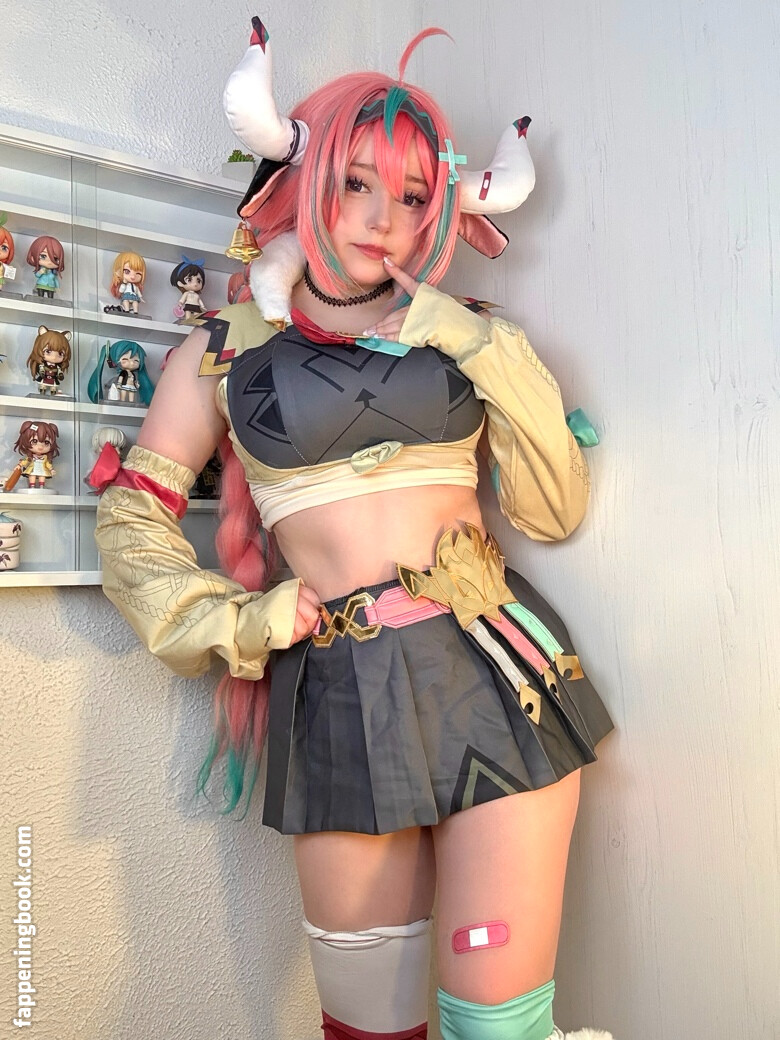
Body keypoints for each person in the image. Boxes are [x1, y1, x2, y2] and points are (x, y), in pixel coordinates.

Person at [92, 19, 614, 1040]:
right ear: (307, 178)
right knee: (369, 1032)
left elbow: (553, 509)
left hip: (499, 677)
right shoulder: (223, 351)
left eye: (414, 196)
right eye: (356, 183)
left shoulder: (469, 334)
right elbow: (134, 517)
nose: (385, 220)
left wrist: (475, 340)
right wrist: (235, 621)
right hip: (337, 694)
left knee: (501, 1029)